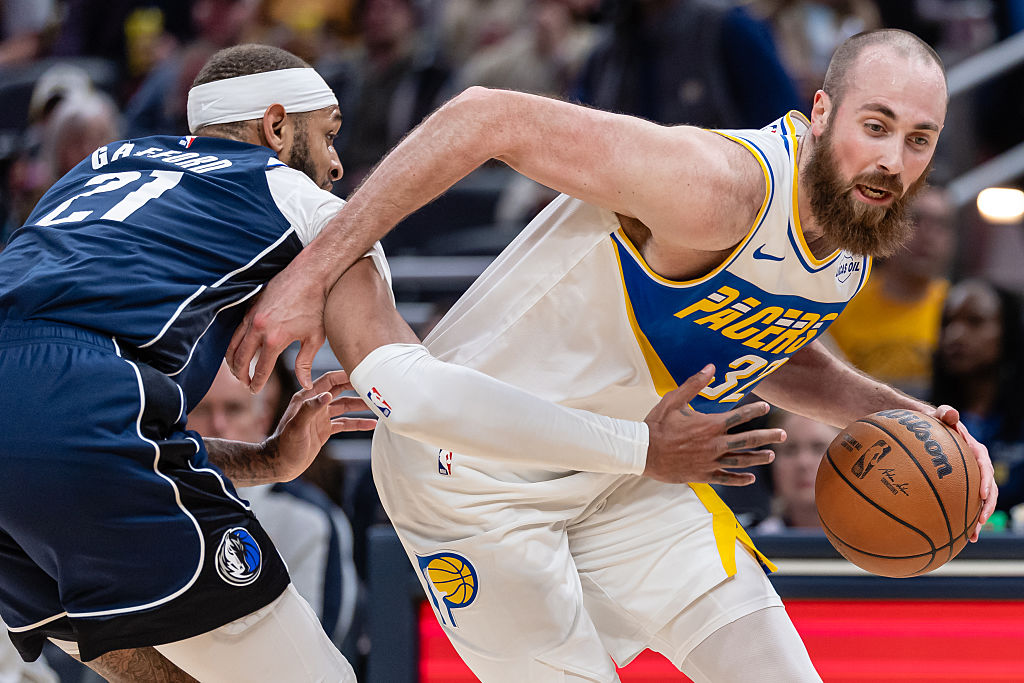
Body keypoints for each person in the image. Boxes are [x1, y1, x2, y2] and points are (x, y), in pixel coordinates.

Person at [228, 29, 997, 682]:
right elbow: (485, 116)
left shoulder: (850, 238)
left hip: (631, 474)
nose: (893, 160)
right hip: (473, 477)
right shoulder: (719, 186)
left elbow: (779, 348)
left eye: (918, 140)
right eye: (877, 125)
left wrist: (922, 422)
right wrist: (312, 271)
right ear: (821, 113)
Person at [0, 43, 733, 682]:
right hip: (88, 407)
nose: (339, 163)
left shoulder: (93, 169)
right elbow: (414, 394)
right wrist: (637, 448)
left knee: (137, 658)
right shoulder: (301, 201)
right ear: (277, 126)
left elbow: (36, 395)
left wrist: (262, 461)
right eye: (328, 135)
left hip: (51, 420)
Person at [186, 362, 360, 652]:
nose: (217, 425)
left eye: (233, 409)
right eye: (203, 409)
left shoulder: (308, 517)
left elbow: (315, 645)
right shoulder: (149, 501)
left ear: (263, 417)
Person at [828, 185, 955, 398]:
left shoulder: (959, 312)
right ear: (886, 224)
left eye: (940, 224)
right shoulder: (842, 300)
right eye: (915, 219)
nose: (928, 235)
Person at [932, 279, 1024, 515]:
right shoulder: (923, 412)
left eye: (975, 321)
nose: (955, 335)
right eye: (948, 322)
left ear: (1009, 331)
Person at [754, 410, 839, 532]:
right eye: (790, 450)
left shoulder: (876, 542)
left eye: (818, 448)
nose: (803, 463)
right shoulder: (744, 546)